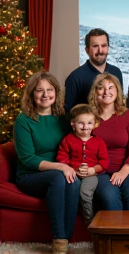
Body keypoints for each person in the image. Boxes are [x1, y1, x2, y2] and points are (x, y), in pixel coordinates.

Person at [14, 71, 81, 254]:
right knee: (60, 178)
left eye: (49, 90)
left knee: (74, 182)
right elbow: (28, 158)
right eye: (39, 90)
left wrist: (75, 166)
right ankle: (59, 241)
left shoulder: (63, 119)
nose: (45, 95)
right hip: (30, 176)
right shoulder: (23, 120)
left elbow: (73, 146)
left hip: (61, 172)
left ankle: (66, 238)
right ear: (31, 94)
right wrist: (61, 166)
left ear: (56, 92)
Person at [88, 73, 129, 210]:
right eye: (101, 88)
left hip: (128, 169)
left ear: (117, 91)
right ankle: (116, 231)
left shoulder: (128, 115)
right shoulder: (88, 117)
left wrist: (124, 171)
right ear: (95, 92)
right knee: (109, 194)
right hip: (99, 171)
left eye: (111, 87)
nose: (107, 92)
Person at [56, 104, 109, 225]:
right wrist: (73, 169)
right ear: (73, 124)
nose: (85, 127)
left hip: (91, 175)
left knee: (85, 192)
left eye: (89, 123)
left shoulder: (98, 142)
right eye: (81, 123)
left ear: (95, 124)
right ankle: (69, 219)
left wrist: (93, 170)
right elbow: (62, 158)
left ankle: (89, 219)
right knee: (70, 191)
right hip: (72, 173)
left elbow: (104, 161)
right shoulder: (67, 140)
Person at [65, 28, 123, 112]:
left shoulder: (116, 72)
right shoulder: (75, 78)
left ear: (108, 48)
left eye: (103, 46)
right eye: (95, 46)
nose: (100, 50)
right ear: (87, 50)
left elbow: (119, 104)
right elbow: (69, 114)